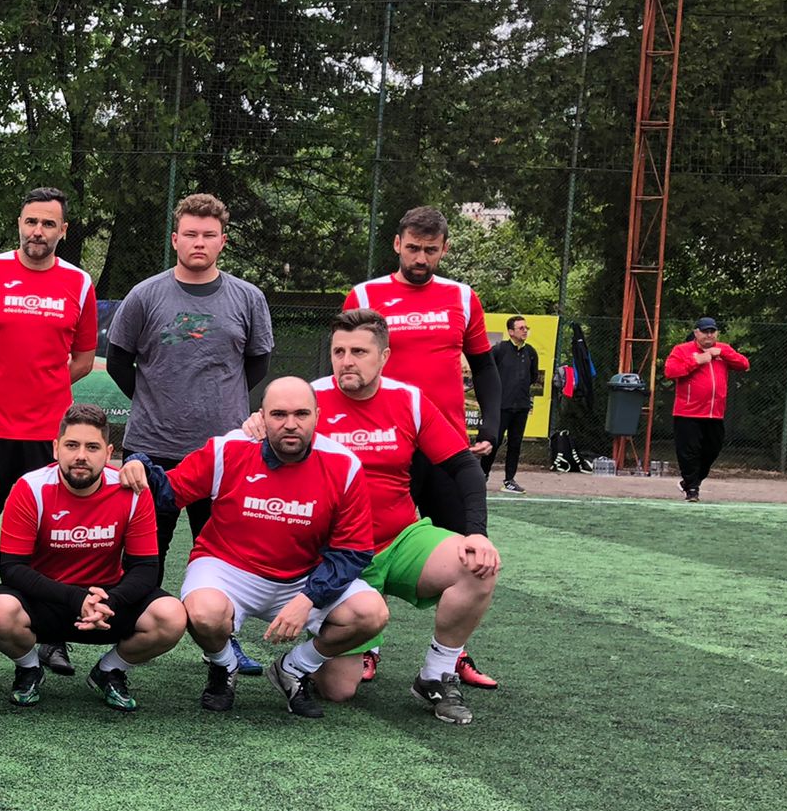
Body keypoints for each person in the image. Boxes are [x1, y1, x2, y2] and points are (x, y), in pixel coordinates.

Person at [125, 377, 387, 718]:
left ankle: (294, 668)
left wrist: (309, 598)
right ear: (261, 416)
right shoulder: (228, 449)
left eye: (301, 414)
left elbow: (353, 551)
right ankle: (223, 664)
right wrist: (139, 464)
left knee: (370, 614)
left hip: (302, 577)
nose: (290, 424)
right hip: (229, 568)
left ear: (317, 416)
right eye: (278, 414)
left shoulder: (344, 464)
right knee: (204, 612)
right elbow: (168, 492)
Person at [301, 311, 501, 724]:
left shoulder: (408, 400)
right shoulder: (308, 400)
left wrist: (477, 533)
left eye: (359, 352)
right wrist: (256, 423)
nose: (347, 361)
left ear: (384, 356)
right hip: (336, 555)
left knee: (477, 564)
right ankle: (313, 653)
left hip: (400, 540)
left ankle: (436, 673)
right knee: (338, 690)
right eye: (339, 351)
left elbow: (463, 466)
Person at [105, 191, 274, 677]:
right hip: (151, 448)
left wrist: (219, 407)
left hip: (224, 452)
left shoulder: (248, 297)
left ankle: (223, 642)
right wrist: (156, 400)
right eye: (191, 234)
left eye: (209, 235)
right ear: (175, 238)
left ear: (223, 241)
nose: (199, 242)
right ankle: (134, 637)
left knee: (224, 555)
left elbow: (257, 363)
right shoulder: (145, 295)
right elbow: (118, 360)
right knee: (145, 551)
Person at [343, 204, 501, 690]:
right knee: (369, 543)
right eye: (412, 248)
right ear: (397, 244)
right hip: (380, 445)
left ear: (444, 249)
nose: (420, 258)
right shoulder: (365, 294)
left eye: (430, 250)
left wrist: (492, 426)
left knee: (465, 553)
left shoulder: (462, 297)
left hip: (444, 447)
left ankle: (452, 655)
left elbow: (484, 366)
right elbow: (345, 367)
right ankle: (365, 645)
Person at [0, 187, 98, 662]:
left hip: (48, 435)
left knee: (51, 535)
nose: (38, 231)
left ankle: (52, 635)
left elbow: (82, 359)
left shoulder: (79, 282)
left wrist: (42, 387)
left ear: (63, 231)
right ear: (19, 223)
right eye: (31, 221)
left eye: (48, 224)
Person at [0, 403, 187, 711]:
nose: (81, 455)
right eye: (72, 445)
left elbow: (145, 569)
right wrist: (75, 599)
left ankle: (110, 670)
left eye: (92, 447)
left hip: (108, 603)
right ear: (56, 448)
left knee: (171, 616)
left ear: (108, 453)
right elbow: (12, 568)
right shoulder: (31, 488)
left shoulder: (132, 491)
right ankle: (29, 668)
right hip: (49, 600)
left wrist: (110, 601)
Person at [665, 318, 750, 501]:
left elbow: (744, 364)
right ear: (696, 333)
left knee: (712, 450)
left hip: (714, 413)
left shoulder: (723, 349)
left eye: (712, 331)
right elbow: (670, 371)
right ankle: (692, 489)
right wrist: (696, 361)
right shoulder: (682, 350)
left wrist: (723, 354)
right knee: (689, 452)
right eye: (705, 331)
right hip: (687, 412)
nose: (709, 335)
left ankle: (690, 482)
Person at [488, 315, 539, 493]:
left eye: (526, 328)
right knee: (493, 442)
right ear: (511, 332)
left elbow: (533, 377)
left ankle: (509, 480)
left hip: (522, 407)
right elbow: (487, 372)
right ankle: (482, 475)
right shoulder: (499, 349)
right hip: (501, 406)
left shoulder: (530, 352)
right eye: (521, 328)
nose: (525, 331)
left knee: (515, 444)